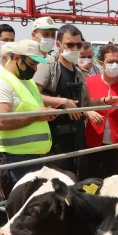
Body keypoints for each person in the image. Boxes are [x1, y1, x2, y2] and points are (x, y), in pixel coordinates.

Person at [0, 39, 58, 198]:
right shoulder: (1, 82)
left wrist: (43, 114)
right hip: (14, 159)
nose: (35, 69)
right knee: (17, 205)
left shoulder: (27, 82)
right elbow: (1, 121)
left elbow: (32, 111)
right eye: (31, 64)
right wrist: (36, 116)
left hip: (35, 157)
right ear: (17, 57)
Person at [33, 24, 88, 175]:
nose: (75, 48)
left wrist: (105, 101)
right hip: (56, 139)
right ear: (58, 45)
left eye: (78, 45)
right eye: (70, 44)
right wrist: (62, 102)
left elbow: (86, 102)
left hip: (77, 137)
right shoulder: (48, 66)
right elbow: (33, 94)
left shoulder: (78, 72)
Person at [82, 44, 118, 179]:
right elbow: (81, 105)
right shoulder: (89, 82)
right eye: (110, 62)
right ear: (102, 64)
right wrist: (89, 112)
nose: (114, 65)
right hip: (93, 141)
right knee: (93, 181)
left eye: (117, 61)